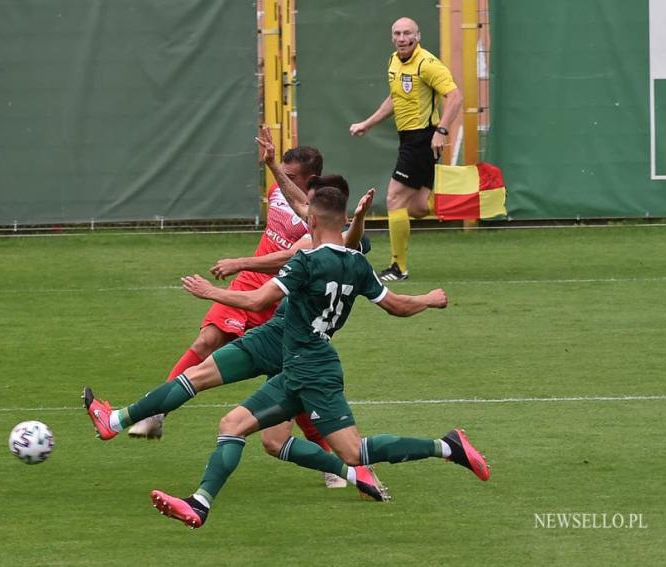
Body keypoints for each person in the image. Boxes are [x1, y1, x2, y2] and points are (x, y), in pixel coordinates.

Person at [150, 186, 489, 528]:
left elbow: (257, 301)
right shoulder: (357, 264)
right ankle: (199, 504)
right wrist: (429, 299)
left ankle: (447, 446)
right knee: (236, 426)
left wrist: (211, 292)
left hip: (312, 370)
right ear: (343, 219)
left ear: (310, 220)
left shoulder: (306, 261)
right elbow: (396, 306)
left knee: (354, 452)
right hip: (296, 366)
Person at [84, 187, 391, 501]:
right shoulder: (342, 250)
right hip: (300, 348)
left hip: (279, 340)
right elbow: (320, 221)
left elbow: (258, 299)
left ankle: (118, 422)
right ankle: (354, 472)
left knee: (199, 380)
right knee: (275, 442)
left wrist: (214, 287)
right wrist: (274, 163)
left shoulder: (321, 252)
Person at [126, 145, 322, 441]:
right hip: (247, 283)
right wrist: (271, 163)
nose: (283, 178)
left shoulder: (321, 218)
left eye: (292, 175)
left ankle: (330, 457)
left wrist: (239, 261)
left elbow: (288, 259)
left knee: (290, 381)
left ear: (312, 178)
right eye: (282, 171)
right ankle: (157, 413)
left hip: (280, 296)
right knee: (207, 340)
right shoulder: (276, 192)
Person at [349, 17, 462, 282]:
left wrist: (441, 131)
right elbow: (395, 98)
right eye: (397, 33)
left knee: (394, 200)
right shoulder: (393, 62)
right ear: (392, 37)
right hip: (410, 140)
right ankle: (462, 198)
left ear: (418, 36)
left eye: (407, 33)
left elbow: (455, 97)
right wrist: (368, 123)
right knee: (419, 207)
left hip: (423, 139)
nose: (402, 38)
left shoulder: (428, 63)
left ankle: (398, 268)